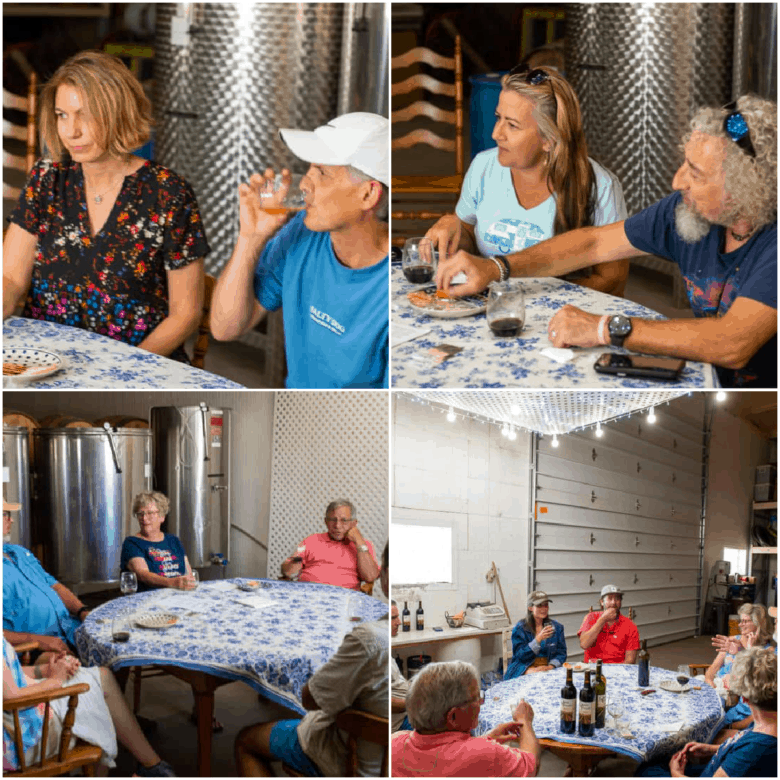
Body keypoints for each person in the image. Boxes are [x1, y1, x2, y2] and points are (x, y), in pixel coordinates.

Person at [435, 95, 777, 388]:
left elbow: (734, 343)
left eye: (695, 173)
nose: (677, 181)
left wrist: (604, 328)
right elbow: (593, 244)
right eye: (684, 164)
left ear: (747, 187)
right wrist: (497, 267)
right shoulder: (685, 211)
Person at [2, 50, 208, 362]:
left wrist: (122, 370)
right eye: (62, 115)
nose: (72, 131)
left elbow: (185, 315)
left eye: (86, 115)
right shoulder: (47, 178)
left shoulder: (169, 194)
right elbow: (11, 279)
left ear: (117, 114)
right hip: (47, 361)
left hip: (138, 364)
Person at [211, 112, 389, 389]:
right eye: (309, 169)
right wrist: (250, 238)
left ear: (368, 194)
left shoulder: (391, 288)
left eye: (322, 173)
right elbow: (224, 328)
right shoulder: (302, 234)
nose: (305, 183)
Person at [426, 64, 628, 295]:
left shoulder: (599, 186)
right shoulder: (483, 166)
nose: (496, 134)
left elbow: (612, 280)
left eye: (512, 125)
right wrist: (455, 233)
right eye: (498, 118)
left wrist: (527, 298)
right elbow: (471, 241)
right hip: (492, 307)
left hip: (563, 317)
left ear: (549, 140)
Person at [235, 543, 390, 776]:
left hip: (353, 759)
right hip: (391, 757)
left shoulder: (369, 637)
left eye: (344, 520)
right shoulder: (311, 542)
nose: (338, 524)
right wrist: (291, 565)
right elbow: (288, 567)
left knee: (245, 741)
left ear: (385, 575)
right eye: (333, 518)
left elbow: (311, 699)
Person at [2, 637, 175, 776]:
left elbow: (10, 673)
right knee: (95, 694)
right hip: (18, 737)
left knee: (98, 676)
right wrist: (55, 680)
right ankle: (151, 766)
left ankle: (151, 765)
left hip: (18, 712)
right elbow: (10, 696)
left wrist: (46, 670)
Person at [636, 646, 776, 777]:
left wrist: (676, 773)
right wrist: (712, 749)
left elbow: (743, 755)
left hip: (709, 772)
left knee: (646, 769)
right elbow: (740, 744)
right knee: (660, 758)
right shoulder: (767, 721)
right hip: (717, 762)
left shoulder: (753, 750)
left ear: (744, 698)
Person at [391, 660, 540, 777]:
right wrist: (525, 722)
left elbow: (453, 754)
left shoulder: (395, 742)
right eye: (476, 698)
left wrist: (486, 739)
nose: (481, 702)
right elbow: (531, 765)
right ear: (453, 717)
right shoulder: (486, 754)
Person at [3, 498, 90, 654]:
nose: (11, 520)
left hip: (70, 628)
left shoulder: (18, 552)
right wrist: (38, 641)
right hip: (37, 649)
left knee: (118, 642)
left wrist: (82, 611)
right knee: (96, 672)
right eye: (4, 514)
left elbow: (53, 585)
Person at [280, 500, 379, 590]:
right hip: (307, 594)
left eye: (344, 520)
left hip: (343, 600)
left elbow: (370, 576)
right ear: (326, 521)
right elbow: (286, 570)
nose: (337, 526)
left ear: (354, 523)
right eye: (333, 520)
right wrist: (289, 568)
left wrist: (359, 541)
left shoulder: (363, 545)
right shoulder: (312, 539)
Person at [706, 603, 773, 727]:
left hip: (733, 698)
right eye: (740, 620)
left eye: (745, 621)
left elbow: (755, 685)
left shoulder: (768, 652)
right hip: (716, 690)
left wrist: (747, 650)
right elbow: (712, 668)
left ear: (758, 624)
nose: (740, 625)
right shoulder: (732, 640)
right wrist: (710, 682)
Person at [120, 491, 196, 592]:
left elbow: (188, 572)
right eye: (140, 514)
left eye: (150, 513)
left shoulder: (173, 540)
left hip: (178, 596)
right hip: (148, 600)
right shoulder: (132, 543)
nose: (144, 518)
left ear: (162, 517)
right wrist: (172, 583)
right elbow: (143, 575)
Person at [505, 591, 567, 679]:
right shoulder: (520, 628)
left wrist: (551, 666)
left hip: (547, 669)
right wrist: (537, 640)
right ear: (530, 607)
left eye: (546, 605)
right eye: (539, 605)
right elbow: (520, 656)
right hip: (525, 668)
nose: (544, 609)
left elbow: (561, 653)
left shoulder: (557, 627)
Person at [578, 584, 639, 664]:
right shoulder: (590, 617)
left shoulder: (630, 626)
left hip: (617, 669)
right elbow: (584, 644)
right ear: (602, 602)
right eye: (610, 599)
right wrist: (602, 620)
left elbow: (630, 661)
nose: (613, 602)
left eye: (617, 599)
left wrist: (611, 670)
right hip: (592, 668)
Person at [390, 601, 412, 731]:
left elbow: (397, 682)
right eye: (393, 618)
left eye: (398, 617)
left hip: (407, 709)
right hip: (399, 722)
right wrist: (415, 703)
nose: (399, 622)